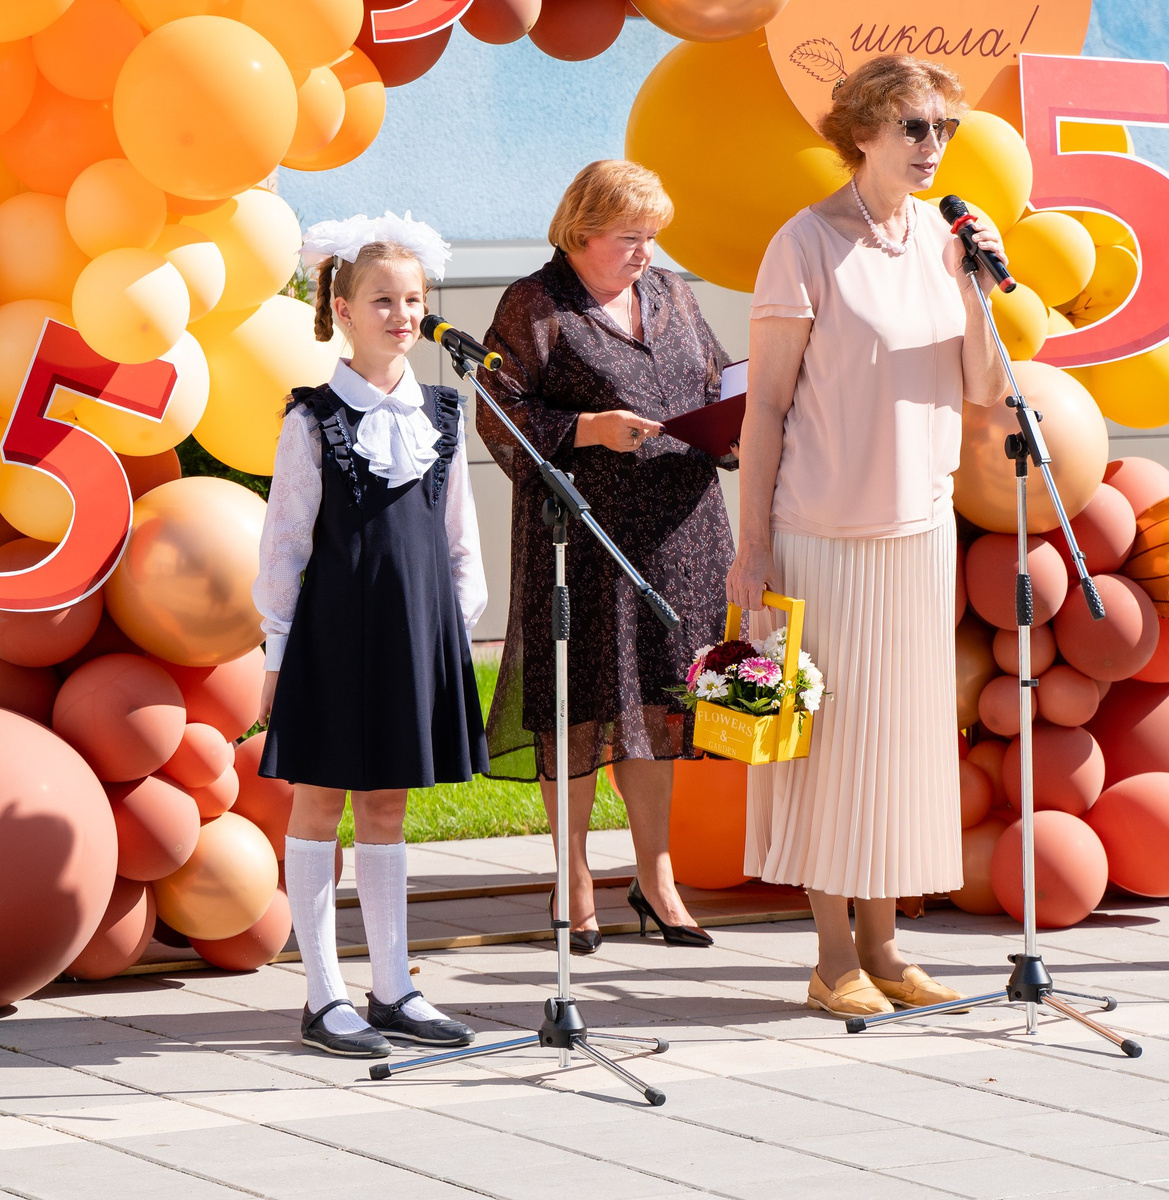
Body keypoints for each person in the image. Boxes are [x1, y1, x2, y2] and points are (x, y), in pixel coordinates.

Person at [729, 56, 1004, 1019]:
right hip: (822, 530)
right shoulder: (804, 245)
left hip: (918, 530)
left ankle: (888, 950)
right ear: (864, 133)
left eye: (944, 130)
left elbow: (987, 393)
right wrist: (750, 544)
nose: (934, 147)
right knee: (832, 751)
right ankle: (831, 956)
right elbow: (763, 408)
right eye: (915, 127)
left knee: (898, 749)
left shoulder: (945, 243)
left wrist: (978, 279)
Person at [480, 160, 734, 952]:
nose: (645, 254)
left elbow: (714, 378)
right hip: (585, 536)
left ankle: (657, 883)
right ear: (581, 230)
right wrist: (588, 429)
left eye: (653, 238)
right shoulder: (536, 303)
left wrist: (732, 416)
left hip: (681, 532)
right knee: (581, 707)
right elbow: (498, 411)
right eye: (631, 237)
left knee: (660, 707)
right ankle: (575, 880)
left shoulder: (673, 294)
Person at [253, 213, 490, 1057]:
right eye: (382, 299)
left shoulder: (445, 413)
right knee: (320, 803)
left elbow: (460, 539)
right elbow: (284, 544)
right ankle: (323, 995)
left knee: (387, 806)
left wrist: (453, 635)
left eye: (413, 299)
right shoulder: (315, 419)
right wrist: (276, 652)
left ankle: (393, 985)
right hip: (335, 637)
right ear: (343, 310)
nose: (401, 314)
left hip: (414, 638)